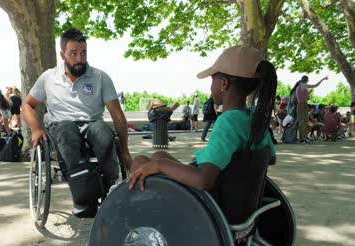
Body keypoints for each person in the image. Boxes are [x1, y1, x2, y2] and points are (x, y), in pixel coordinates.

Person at [128, 45, 276, 192]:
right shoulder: (254, 117)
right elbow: (271, 158)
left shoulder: (228, 122)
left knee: (140, 162)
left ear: (224, 83)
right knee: (159, 154)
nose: (210, 87)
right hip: (236, 193)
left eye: (212, 80)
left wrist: (159, 165)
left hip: (209, 201)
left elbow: (204, 181)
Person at [22, 28, 132, 217]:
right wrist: (35, 129)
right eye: (73, 54)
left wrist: (125, 149)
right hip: (60, 126)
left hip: (91, 123)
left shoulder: (100, 77)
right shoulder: (49, 77)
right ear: (63, 54)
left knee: (105, 134)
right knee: (66, 129)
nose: (80, 58)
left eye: (83, 53)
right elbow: (27, 105)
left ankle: (109, 191)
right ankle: (83, 197)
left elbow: (117, 114)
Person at [293, 75, 328, 143]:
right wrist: (323, 79)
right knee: (303, 121)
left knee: (303, 121)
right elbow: (315, 85)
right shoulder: (303, 85)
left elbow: (303, 96)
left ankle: (303, 137)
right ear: (306, 80)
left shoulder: (299, 86)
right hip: (303, 105)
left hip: (300, 104)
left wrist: (309, 93)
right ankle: (302, 138)